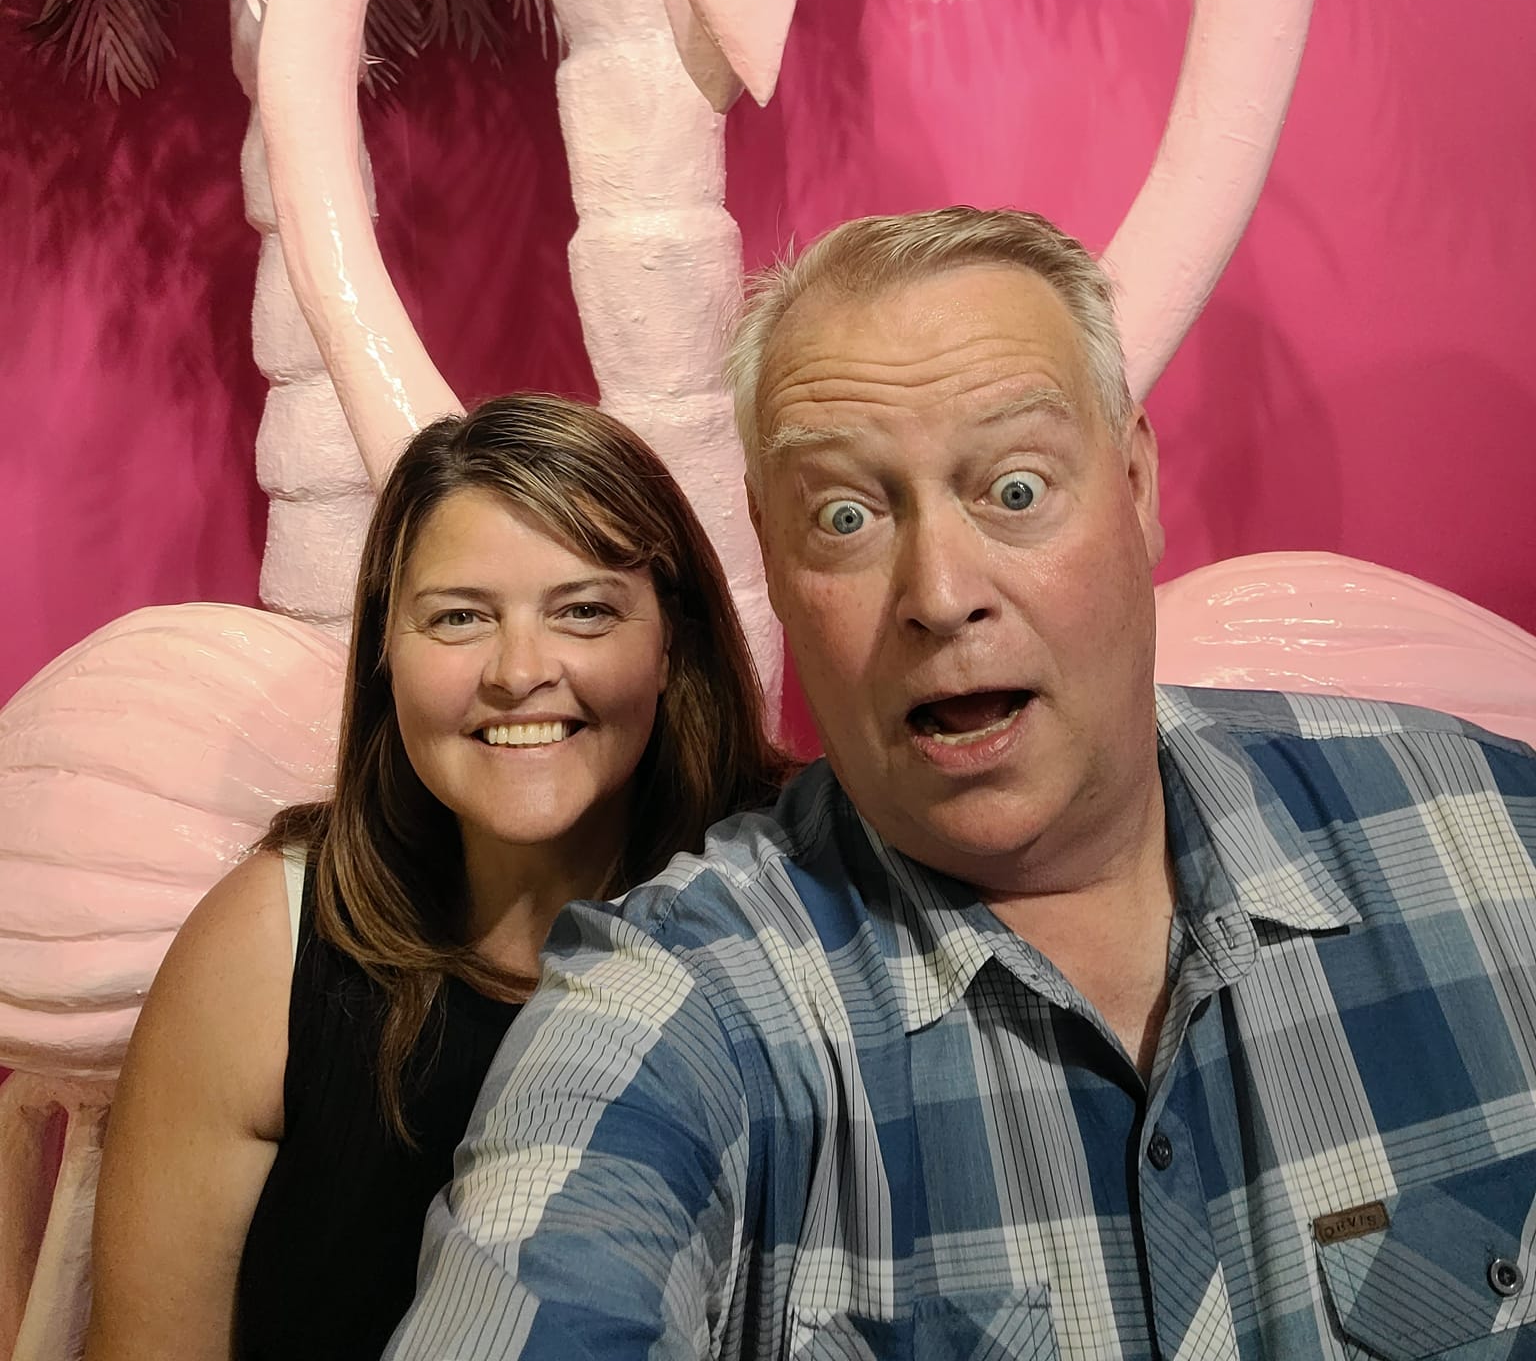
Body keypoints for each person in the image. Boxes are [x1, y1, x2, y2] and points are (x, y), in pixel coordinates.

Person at [390, 208, 1536, 1361]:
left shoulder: (1490, 831)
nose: (939, 591)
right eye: (844, 515)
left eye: (1017, 488)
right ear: (772, 562)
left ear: (1136, 486)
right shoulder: (684, 1006)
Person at [86, 393, 785, 1361]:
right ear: (385, 650)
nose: (518, 669)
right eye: (459, 616)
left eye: (583, 609)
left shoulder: (794, 917)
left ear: (673, 641)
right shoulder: (269, 944)